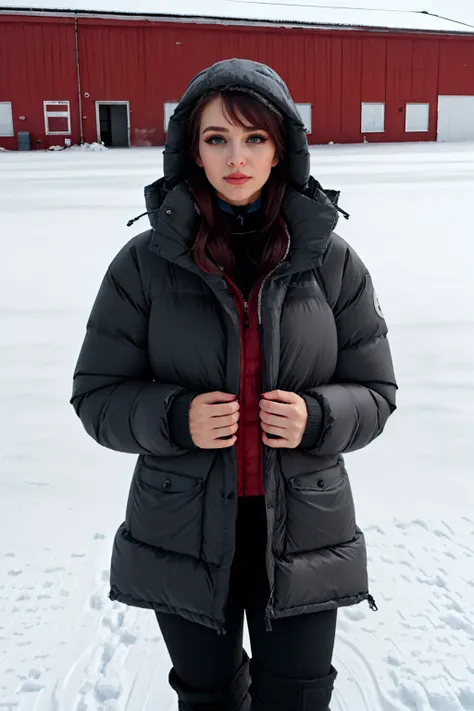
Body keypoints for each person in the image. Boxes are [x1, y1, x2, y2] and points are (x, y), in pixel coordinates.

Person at [71, 58, 397, 711]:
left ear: (282, 148)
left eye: (254, 137)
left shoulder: (331, 264)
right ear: (191, 148)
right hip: (182, 533)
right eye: (217, 138)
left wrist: (318, 417)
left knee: (297, 697)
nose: (236, 156)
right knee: (210, 697)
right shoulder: (145, 265)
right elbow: (97, 395)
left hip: (303, 533)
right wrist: (172, 417)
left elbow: (376, 391)